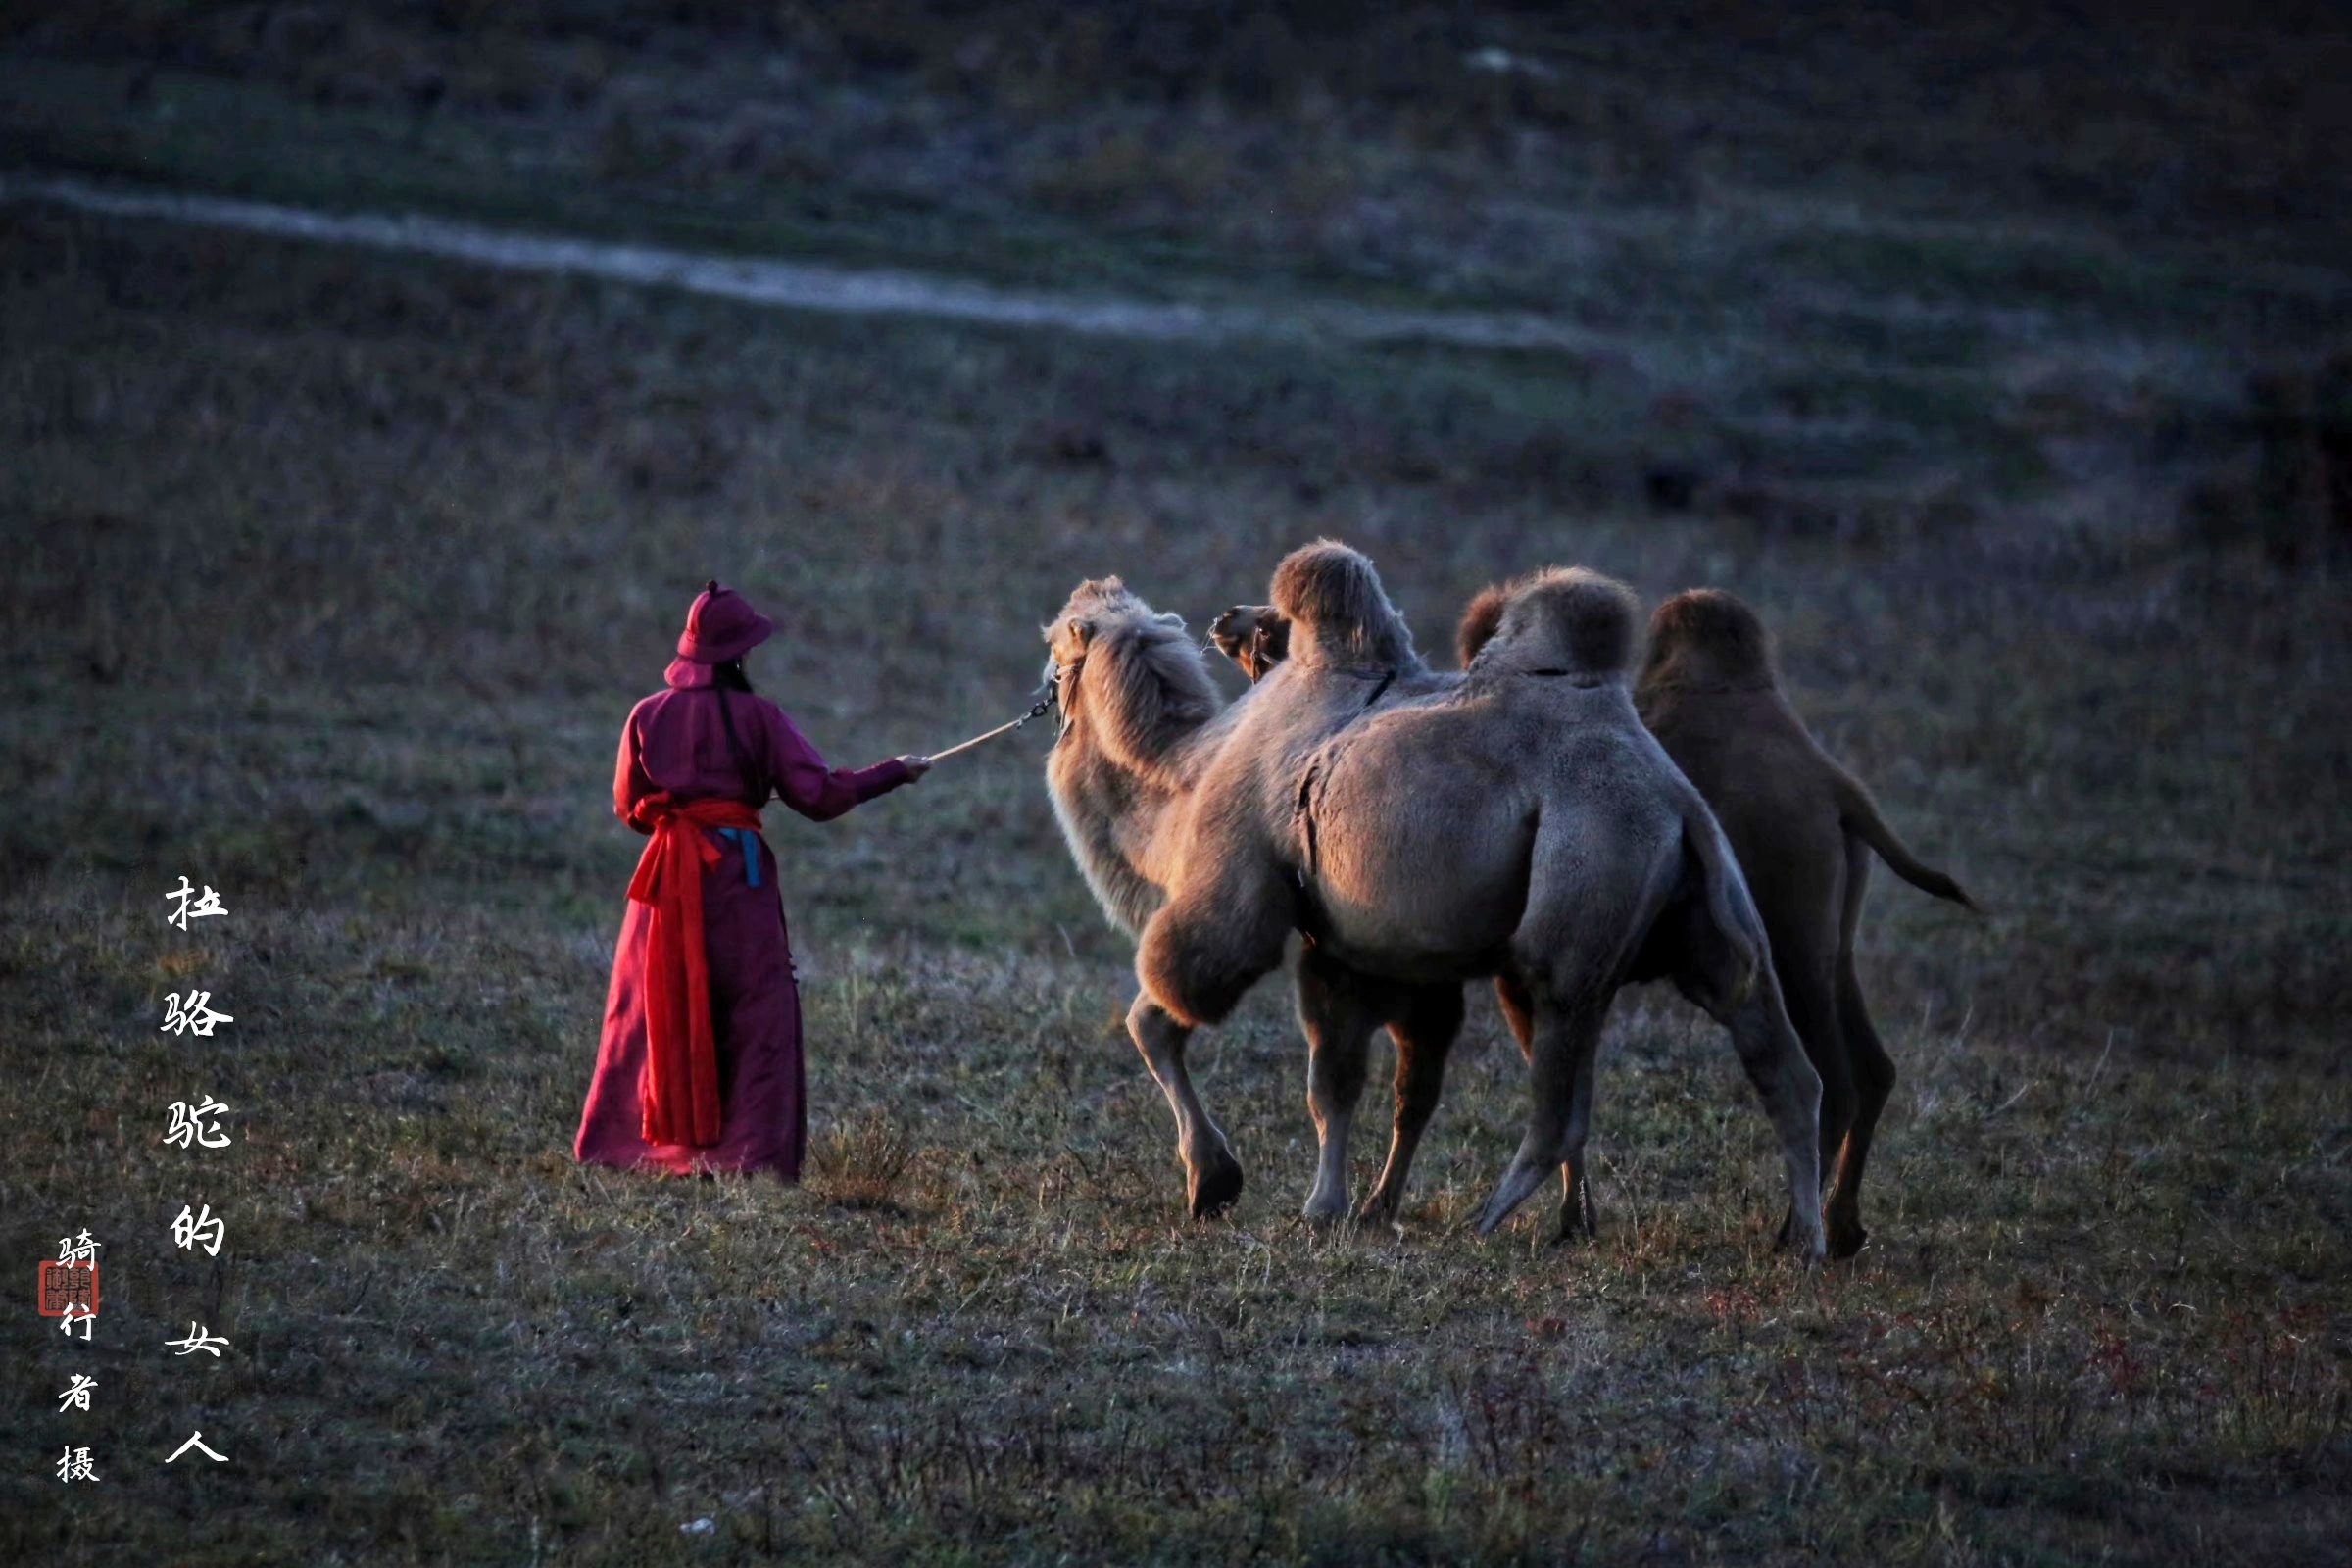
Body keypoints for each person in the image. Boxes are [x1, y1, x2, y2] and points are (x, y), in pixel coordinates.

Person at [574, 579, 930, 1180]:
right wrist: (893, 772)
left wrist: (679, 820)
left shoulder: (645, 715)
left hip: (664, 881)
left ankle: (626, 1146)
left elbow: (631, 808)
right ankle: (744, 1156)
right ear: (738, 654)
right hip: (737, 878)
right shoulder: (760, 718)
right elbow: (818, 795)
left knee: (649, 1003)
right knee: (753, 1006)